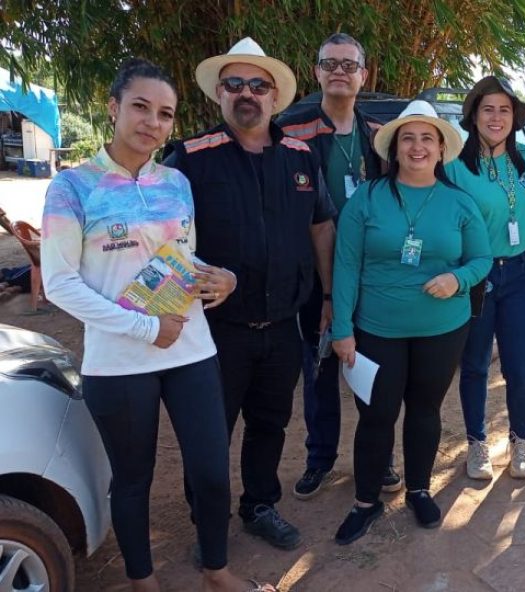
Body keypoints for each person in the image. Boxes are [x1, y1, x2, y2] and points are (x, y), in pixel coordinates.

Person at [41, 59, 274, 592]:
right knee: (133, 480)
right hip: (119, 360)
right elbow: (60, 284)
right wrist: (147, 330)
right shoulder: (73, 188)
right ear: (114, 107)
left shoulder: (175, 180)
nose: (152, 122)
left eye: (165, 114)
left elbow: (180, 259)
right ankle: (143, 581)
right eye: (141, 107)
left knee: (212, 472)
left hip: (191, 349)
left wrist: (225, 278)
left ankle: (217, 570)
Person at [163, 38, 336, 549]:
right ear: (219, 93)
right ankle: (207, 523)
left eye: (258, 85)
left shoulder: (301, 156)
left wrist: (326, 297)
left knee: (271, 423)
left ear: (275, 96)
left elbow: (321, 228)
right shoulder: (190, 158)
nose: (247, 94)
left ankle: (260, 505)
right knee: (209, 433)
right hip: (214, 330)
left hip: (284, 324)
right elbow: (160, 240)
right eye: (235, 84)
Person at [331, 100, 491, 544]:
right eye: (408, 137)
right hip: (376, 329)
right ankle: (366, 501)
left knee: (425, 410)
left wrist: (456, 279)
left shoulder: (460, 202)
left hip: (442, 328)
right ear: (394, 148)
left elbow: (481, 259)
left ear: (441, 149)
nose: (417, 146)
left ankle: (420, 490)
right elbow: (345, 265)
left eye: (427, 138)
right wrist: (342, 328)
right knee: (376, 415)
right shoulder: (367, 198)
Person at [276, 33, 400, 499]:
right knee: (321, 370)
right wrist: (327, 292)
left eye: (350, 65)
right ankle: (320, 458)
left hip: (373, 276)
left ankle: (380, 456)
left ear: (364, 76)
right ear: (317, 73)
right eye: (331, 64)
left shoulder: (377, 137)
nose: (340, 72)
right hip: (317, 278)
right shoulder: (294, 132)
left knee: (376, 368)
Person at [446, 76, 525, 480]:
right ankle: (477, 443)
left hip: (519, 272)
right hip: (477, 276)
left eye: (504, 110)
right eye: (488, 109)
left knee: (521, 368)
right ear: (473, 116)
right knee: (476, 365)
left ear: (514, 117)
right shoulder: (454, 165)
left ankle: (520, 441)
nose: (496, 117)